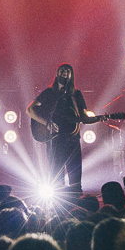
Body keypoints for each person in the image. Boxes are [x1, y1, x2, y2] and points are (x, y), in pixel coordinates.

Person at [28, 64, 101, 195]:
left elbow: (84, 117)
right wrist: (47, 123)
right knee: (56, 177)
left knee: (75, 176)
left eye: (68, 71)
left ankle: (77, 202)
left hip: (73, 140)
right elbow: (30, 110)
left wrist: (101, 118)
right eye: (62, 71)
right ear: (57, 74)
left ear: (71, 75)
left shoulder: (76, 95)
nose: (65, 73)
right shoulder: (49, 93)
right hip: (54, 140)